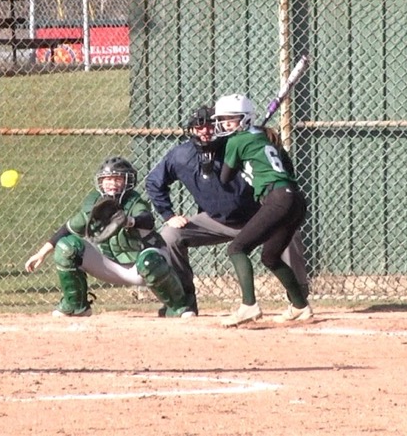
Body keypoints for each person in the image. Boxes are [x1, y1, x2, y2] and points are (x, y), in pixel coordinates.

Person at [145, 105, 309, 318]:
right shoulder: (181, 155)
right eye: (199, 127)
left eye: (211, 126)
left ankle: (298, 299)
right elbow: (154, 182)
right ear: (192, 130)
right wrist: (168, 215)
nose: (205, 132)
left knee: (288, 233)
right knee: (170, 235)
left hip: (256, 216)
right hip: (215, 220)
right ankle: (184, 303)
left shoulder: (240, 143)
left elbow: (281, 165)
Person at [24, 156, 195, 318]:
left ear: (128, 182)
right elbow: (67, 229)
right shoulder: (95, 204)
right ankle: (76, 305)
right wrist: (41, 254)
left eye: (117, 179)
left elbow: (147, 220)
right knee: (67, 247)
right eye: (107, 179)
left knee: (150, 262)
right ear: (100, 182)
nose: (112, 184)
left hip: (141, 266)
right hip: (111, 265)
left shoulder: (133, 201)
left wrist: (128, 221)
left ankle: (179, 306)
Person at [213, 94, 312, 327]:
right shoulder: (267, 139)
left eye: (231, 119)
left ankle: (249, 306)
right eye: (223, 119)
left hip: (277, 199)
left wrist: (233, 155)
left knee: (237, 248)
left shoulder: (236, 142)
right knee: (270, 256)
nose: (226, 123)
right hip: (295, 199)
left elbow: (225, 178)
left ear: (245, 119)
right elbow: (287, 167)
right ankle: (300, 306)